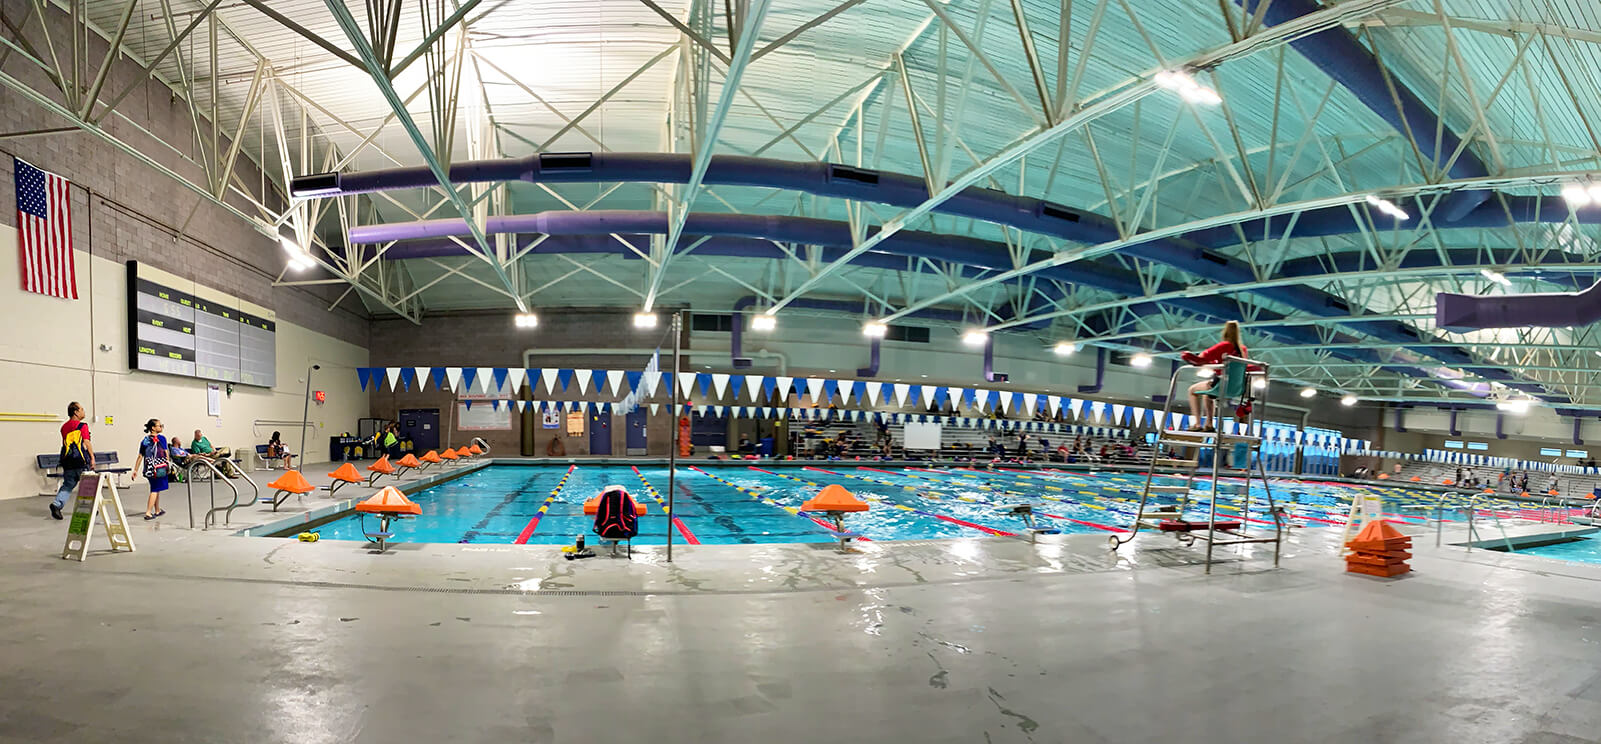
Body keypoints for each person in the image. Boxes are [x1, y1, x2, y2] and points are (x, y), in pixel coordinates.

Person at [1181, 320, 1248, 431]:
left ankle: (1197, 424)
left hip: (1221, 384)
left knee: (1192, 390)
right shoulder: (1243, 350)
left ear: (1225, 332)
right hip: (1237, 388)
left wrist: (1187, 355)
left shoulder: (1224, 346)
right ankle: (1209, 424)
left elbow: (1201, 358)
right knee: (1208, 394)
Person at [49, 401, 95, 520]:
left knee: (68, 484)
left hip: (67, 461)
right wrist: (92, 458)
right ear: (76, 412)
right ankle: (90, 509)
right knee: (88, 485)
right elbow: (86, 442)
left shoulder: (64, 427)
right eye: (82, 409)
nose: (84, 411)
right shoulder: (82, 426)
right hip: (80, 461)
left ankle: (56, 505)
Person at [131, 418, 170, 520]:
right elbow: (166, 453)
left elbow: (140, 456)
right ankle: (148, 512)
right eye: (159, 425)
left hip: (149, 468)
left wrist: (135, 470)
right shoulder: (162, 438)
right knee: (155, 489)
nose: (161, 427)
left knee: (156, 488)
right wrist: (168, 464)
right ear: (153, 428)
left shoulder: (145, 440)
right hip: (159, 468)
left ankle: (157, 510)